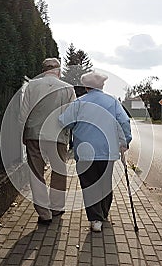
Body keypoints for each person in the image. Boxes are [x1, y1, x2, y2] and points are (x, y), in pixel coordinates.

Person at [59, 71, 132, 232]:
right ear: (101, 86)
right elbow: (124, 121)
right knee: (105, 183)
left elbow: (64, 121)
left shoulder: (79, 103)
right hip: (107, 151)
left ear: (86, 86)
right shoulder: (112, 101)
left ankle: (95, 219)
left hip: (85, 152)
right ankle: (103, 213)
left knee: (89, 185)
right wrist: (125, 141)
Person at [19, 58, 76, 225]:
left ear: (43, 70)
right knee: (59, 171)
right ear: (58, 70)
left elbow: (23, 114)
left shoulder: (31, 86)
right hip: (58, 136)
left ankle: (44, 213)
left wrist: (24, 134)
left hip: (34, 134)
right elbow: (72, 114)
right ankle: (56, 208)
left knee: (36, 173)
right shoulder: (68, 88)